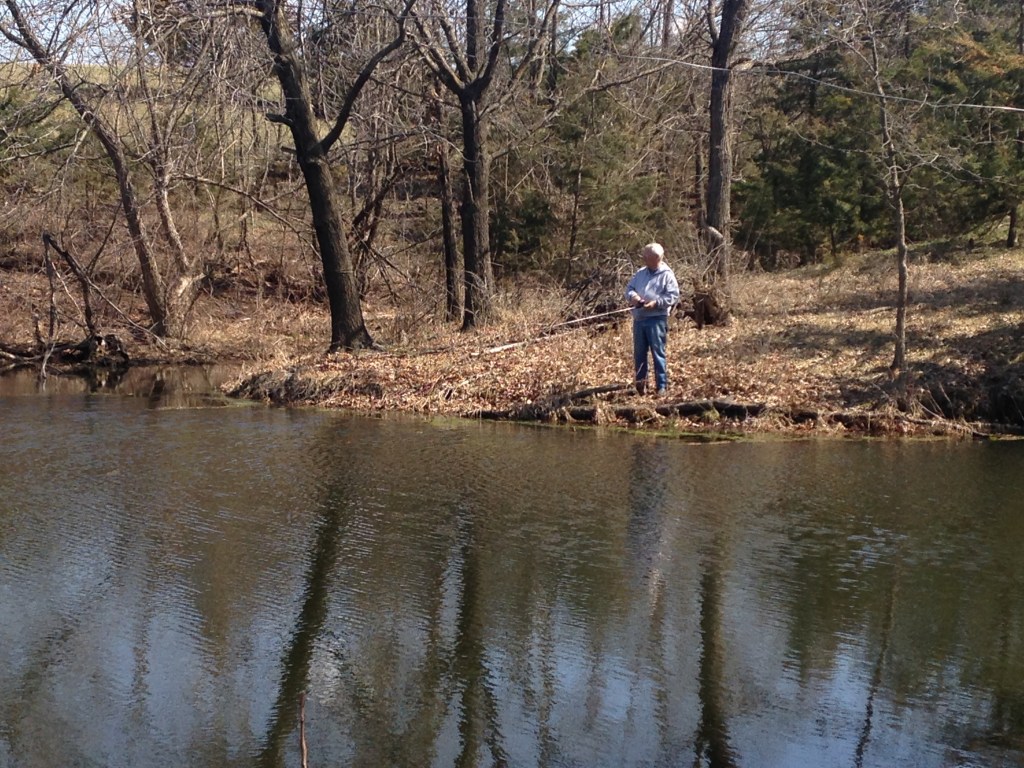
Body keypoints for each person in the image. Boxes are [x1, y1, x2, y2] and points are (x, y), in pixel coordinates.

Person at [625, 242, 680, 395]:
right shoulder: (640, 273)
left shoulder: (667, 275)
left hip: (656, 319)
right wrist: (634, 298)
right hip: (639, 320)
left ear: (656, 258)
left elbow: (673, 296)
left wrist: (656, 303)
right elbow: (629, 289)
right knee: (639, 354)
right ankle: (641, 386)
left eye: (646, 257)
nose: (643, 258)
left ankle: (661, 387)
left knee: (658, 353)